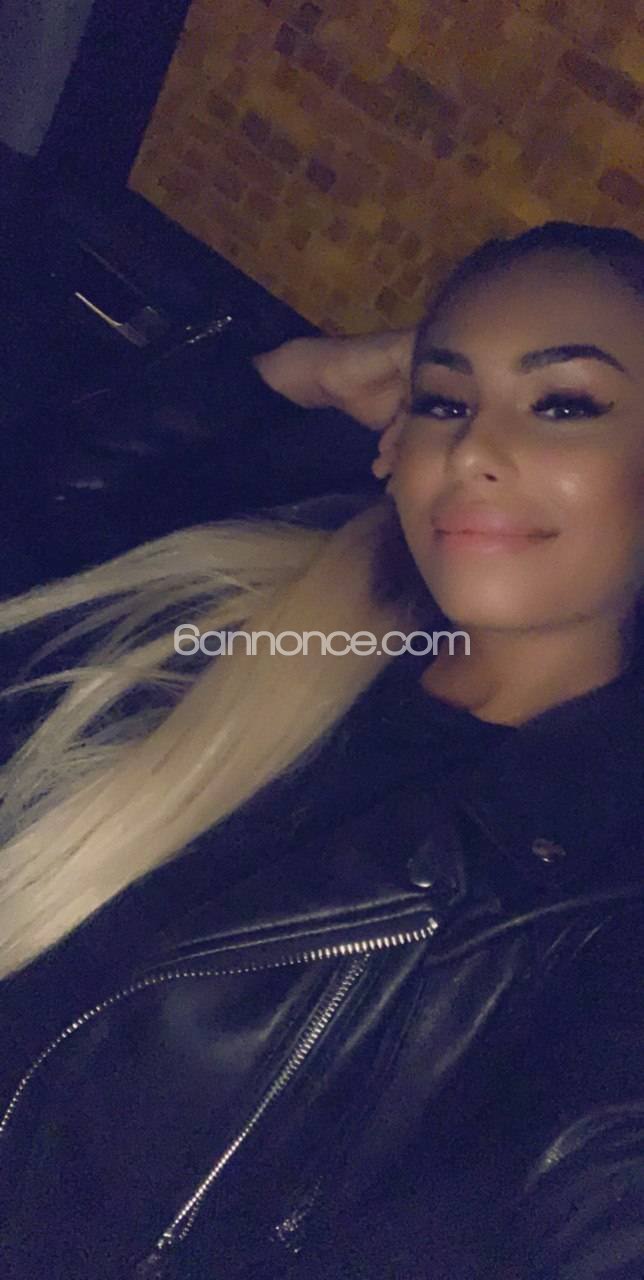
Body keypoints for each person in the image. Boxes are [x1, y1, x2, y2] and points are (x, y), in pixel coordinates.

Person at [0, 221, 643, 1280]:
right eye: (443, 401)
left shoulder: (594, 892)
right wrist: (290, 378)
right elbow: (36, 539)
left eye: (563, 404)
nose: (471, 450)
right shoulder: (261, 611)